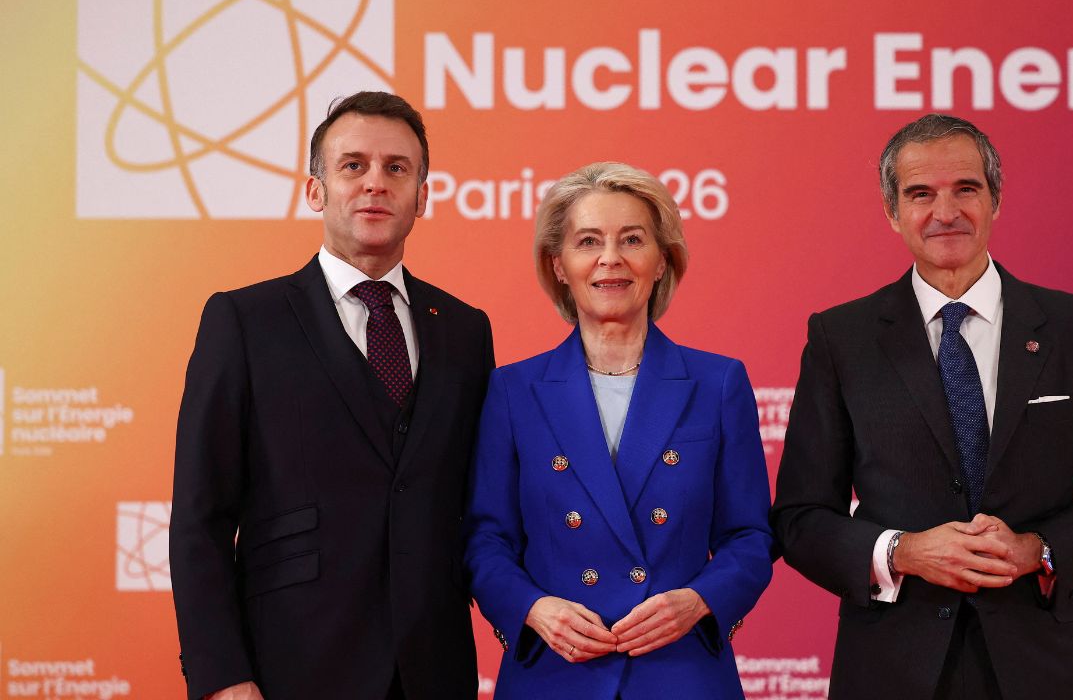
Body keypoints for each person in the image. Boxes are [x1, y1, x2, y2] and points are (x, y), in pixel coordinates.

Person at [770, 114, 1073, 700]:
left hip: (1044, 665)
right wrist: (904, 553)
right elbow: (801, 517)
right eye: (920, 194)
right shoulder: (839, 339)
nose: (945, 212)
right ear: (892, 211)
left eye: (966, 189)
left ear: (995, 200)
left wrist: (1038, 551)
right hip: (891, 667)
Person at [170, 91, 493, 700]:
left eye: (397, 168)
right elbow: (200, 516)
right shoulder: (244, 320)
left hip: (435, 669)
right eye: (353, 166)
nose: (376, 183)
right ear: (315, 189)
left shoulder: (464, 329)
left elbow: (478, 506)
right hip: (287, 669)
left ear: (422, 195)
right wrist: (222, 677)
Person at [465, 161, 773, 699]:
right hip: (556, 673)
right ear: (559, 265)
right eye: (588, 241)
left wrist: (699, 601)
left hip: (679, 673)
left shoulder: (718, 382)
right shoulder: (513, 390)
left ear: (661, 261)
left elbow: (748, 537)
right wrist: (533, 608)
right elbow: (487, 539)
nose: (611, 259)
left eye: (632, 239)